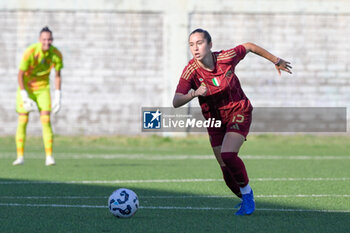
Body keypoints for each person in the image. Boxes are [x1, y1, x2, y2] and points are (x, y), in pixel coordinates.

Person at [173, 28, 292, 215]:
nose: (195, 48)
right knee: (226, 172)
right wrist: (194, 93)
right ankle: (244, 195)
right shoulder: (191, 71)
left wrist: (276, 60)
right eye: (191, 44)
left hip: (239, 110)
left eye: (199, 43)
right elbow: (176, 101)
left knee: (228, 155)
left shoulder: (226, 57)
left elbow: (250, 46)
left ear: (210, 44)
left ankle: (247, 196)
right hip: (215, 120)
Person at [12, 26, 63, 166]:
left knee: (46, 120)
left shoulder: (56, 54)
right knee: (23, 120)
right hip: (27, 88)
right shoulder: (30, 52)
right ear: (39, 40)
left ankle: (49, 156)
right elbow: (20, 74)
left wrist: (58, 96)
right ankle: (20, 156)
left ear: (52, 40)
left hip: (42, 89)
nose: (47, 42)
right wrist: (24, 95)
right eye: (44, 39)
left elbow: (57, 75)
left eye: (49, 39)